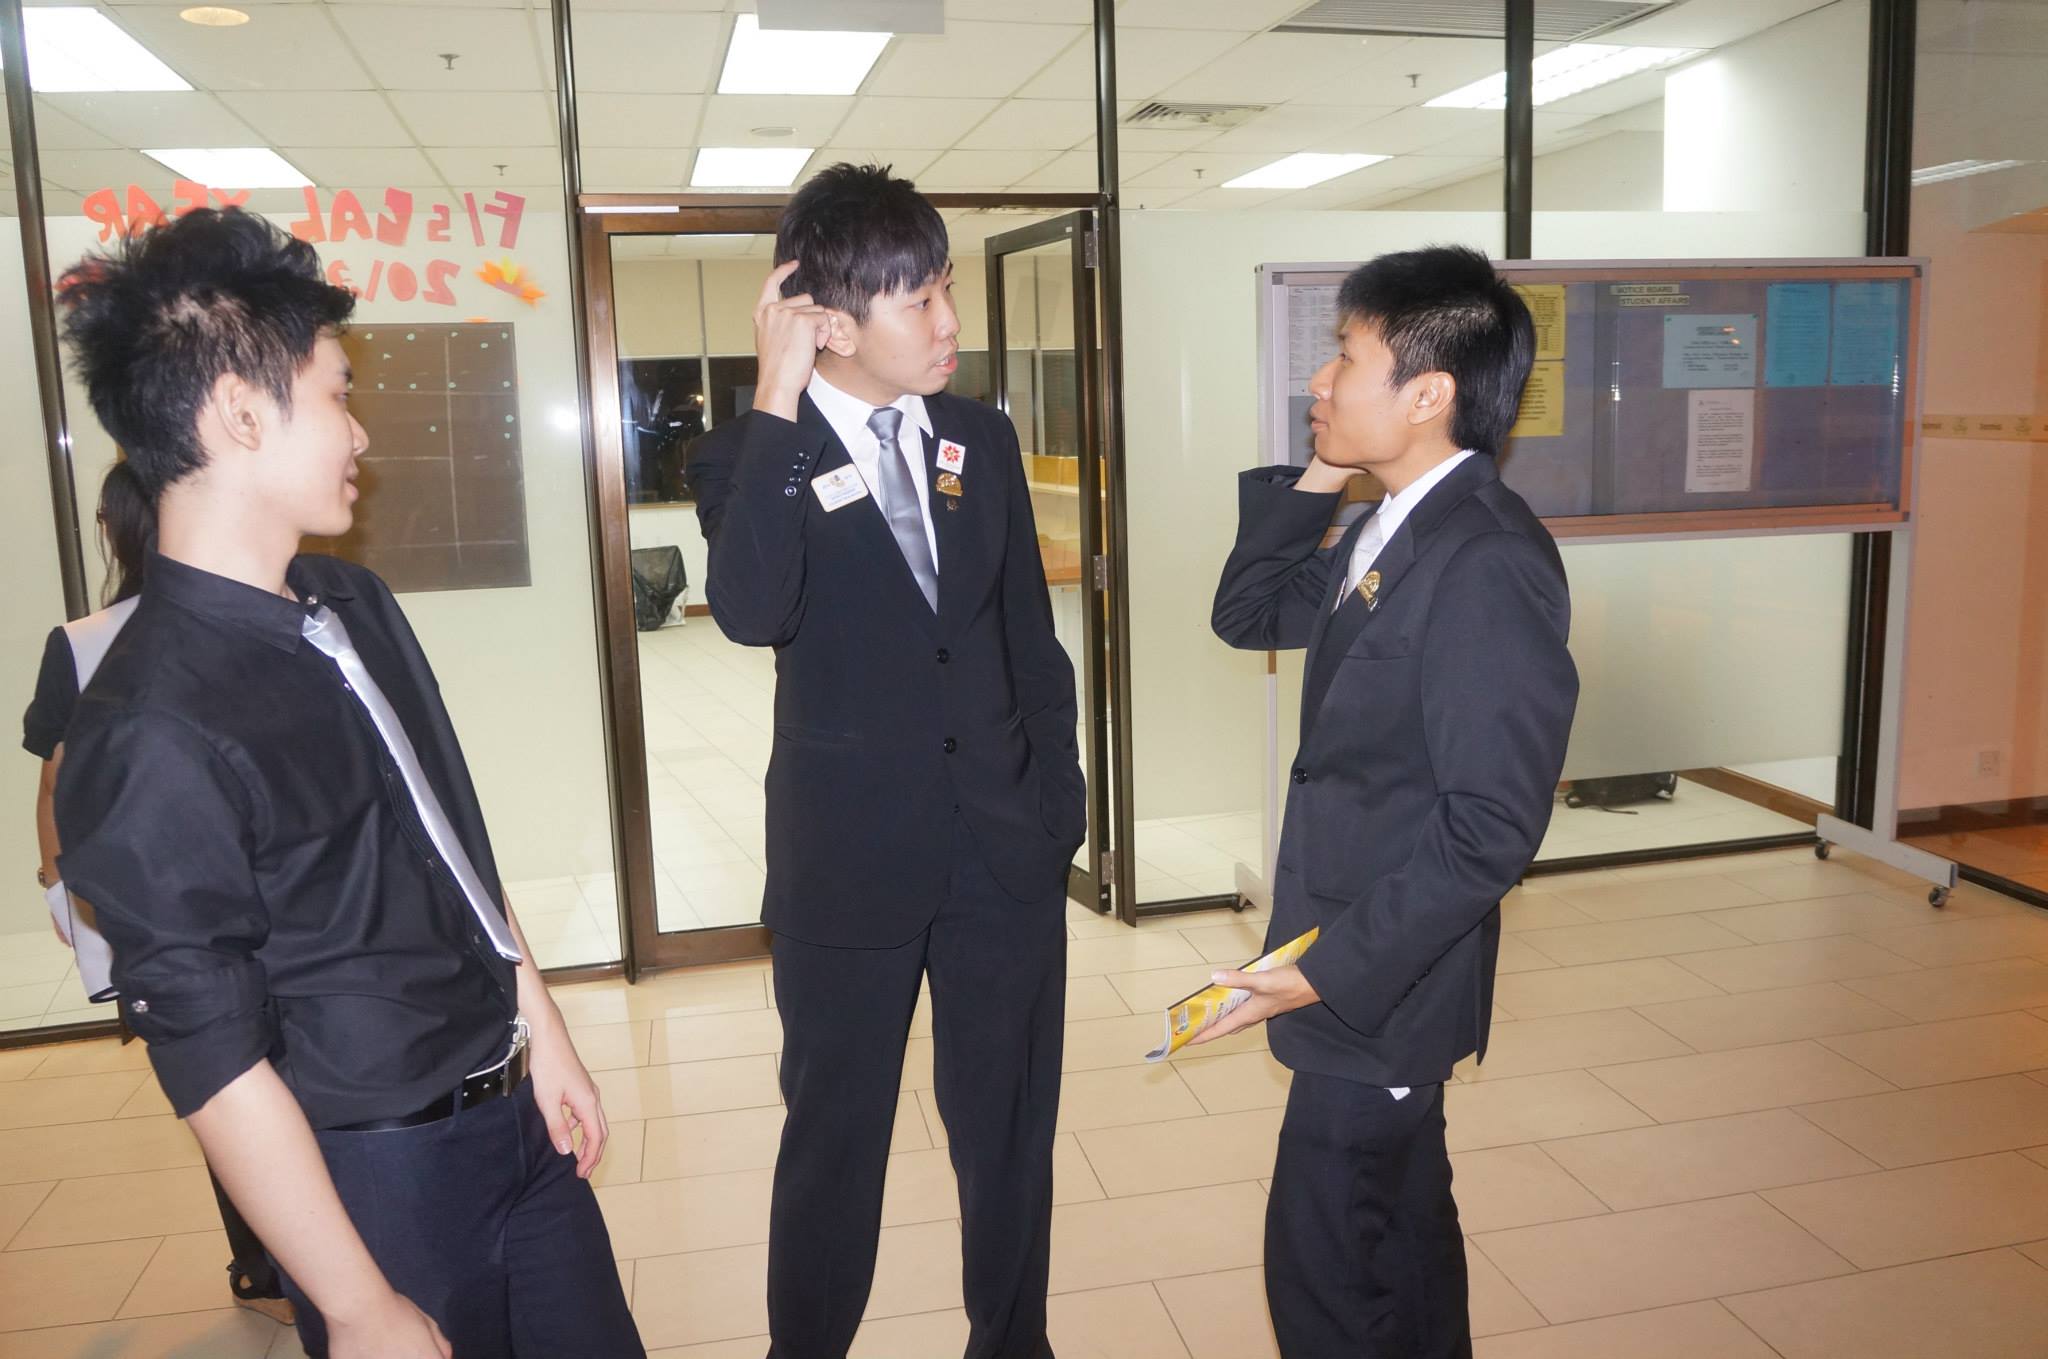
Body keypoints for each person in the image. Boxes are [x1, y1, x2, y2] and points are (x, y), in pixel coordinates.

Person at [50, 207, 644, 1359]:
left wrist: (544, 1030)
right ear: (239, 413)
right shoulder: (147, 729)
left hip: (514, 1118)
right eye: (337, 394)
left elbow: (447, 841)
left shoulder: (349, 602)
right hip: (380, 1175)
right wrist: (359, 1303)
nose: (360, 431)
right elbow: (214, 1065)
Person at [688, 162, 1085, 1359]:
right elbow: (751, 610)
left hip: (1002, 855)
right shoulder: (750, 454)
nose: (950, 322)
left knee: (1008, 1132)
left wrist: (1056, 812)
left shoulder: (979, 438)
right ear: (830, 323)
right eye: (919, 301)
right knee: (834, 1139)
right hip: (847, 863)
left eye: (945, 288)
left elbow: (1026, 640)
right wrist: (773, 393)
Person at [1206, 245, 1580, 1358]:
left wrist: (1323, 970)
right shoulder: (1395, 522)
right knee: (1400, 1230)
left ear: (1428, 394)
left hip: (1385, 976)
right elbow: (1246, 612)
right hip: (1356, 946)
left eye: (1345, 358)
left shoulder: (1483, 559)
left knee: (1327, 1260)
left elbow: (1489, 827)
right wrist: (1326, 467)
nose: (1318, 381)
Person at [24, 460, 296, 1326]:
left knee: (222, 1076)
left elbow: (55, 781)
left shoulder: (82, 641)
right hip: (277, 896)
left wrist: (58, 888)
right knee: (278, 1071)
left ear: (115, 531)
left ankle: (266, 1266)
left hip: (165, 911)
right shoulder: (257, 613)